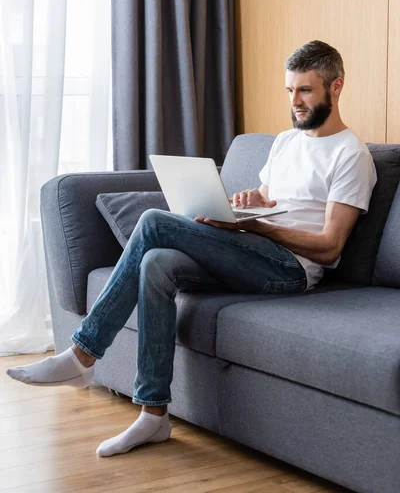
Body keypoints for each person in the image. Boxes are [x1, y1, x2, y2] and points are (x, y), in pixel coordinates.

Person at [6, 40, 377, 457]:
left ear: (336, 86)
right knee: (156, 264)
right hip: (253, 248)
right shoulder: (287, 143)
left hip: (290, 270)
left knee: (152, 222)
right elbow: (271, 198)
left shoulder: (351, 155)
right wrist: (250, 202)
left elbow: (329, 248)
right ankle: (153, 415)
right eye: (290, 91)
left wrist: (258, 227)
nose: (295, 101)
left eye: (305, 91)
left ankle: (82, 354)